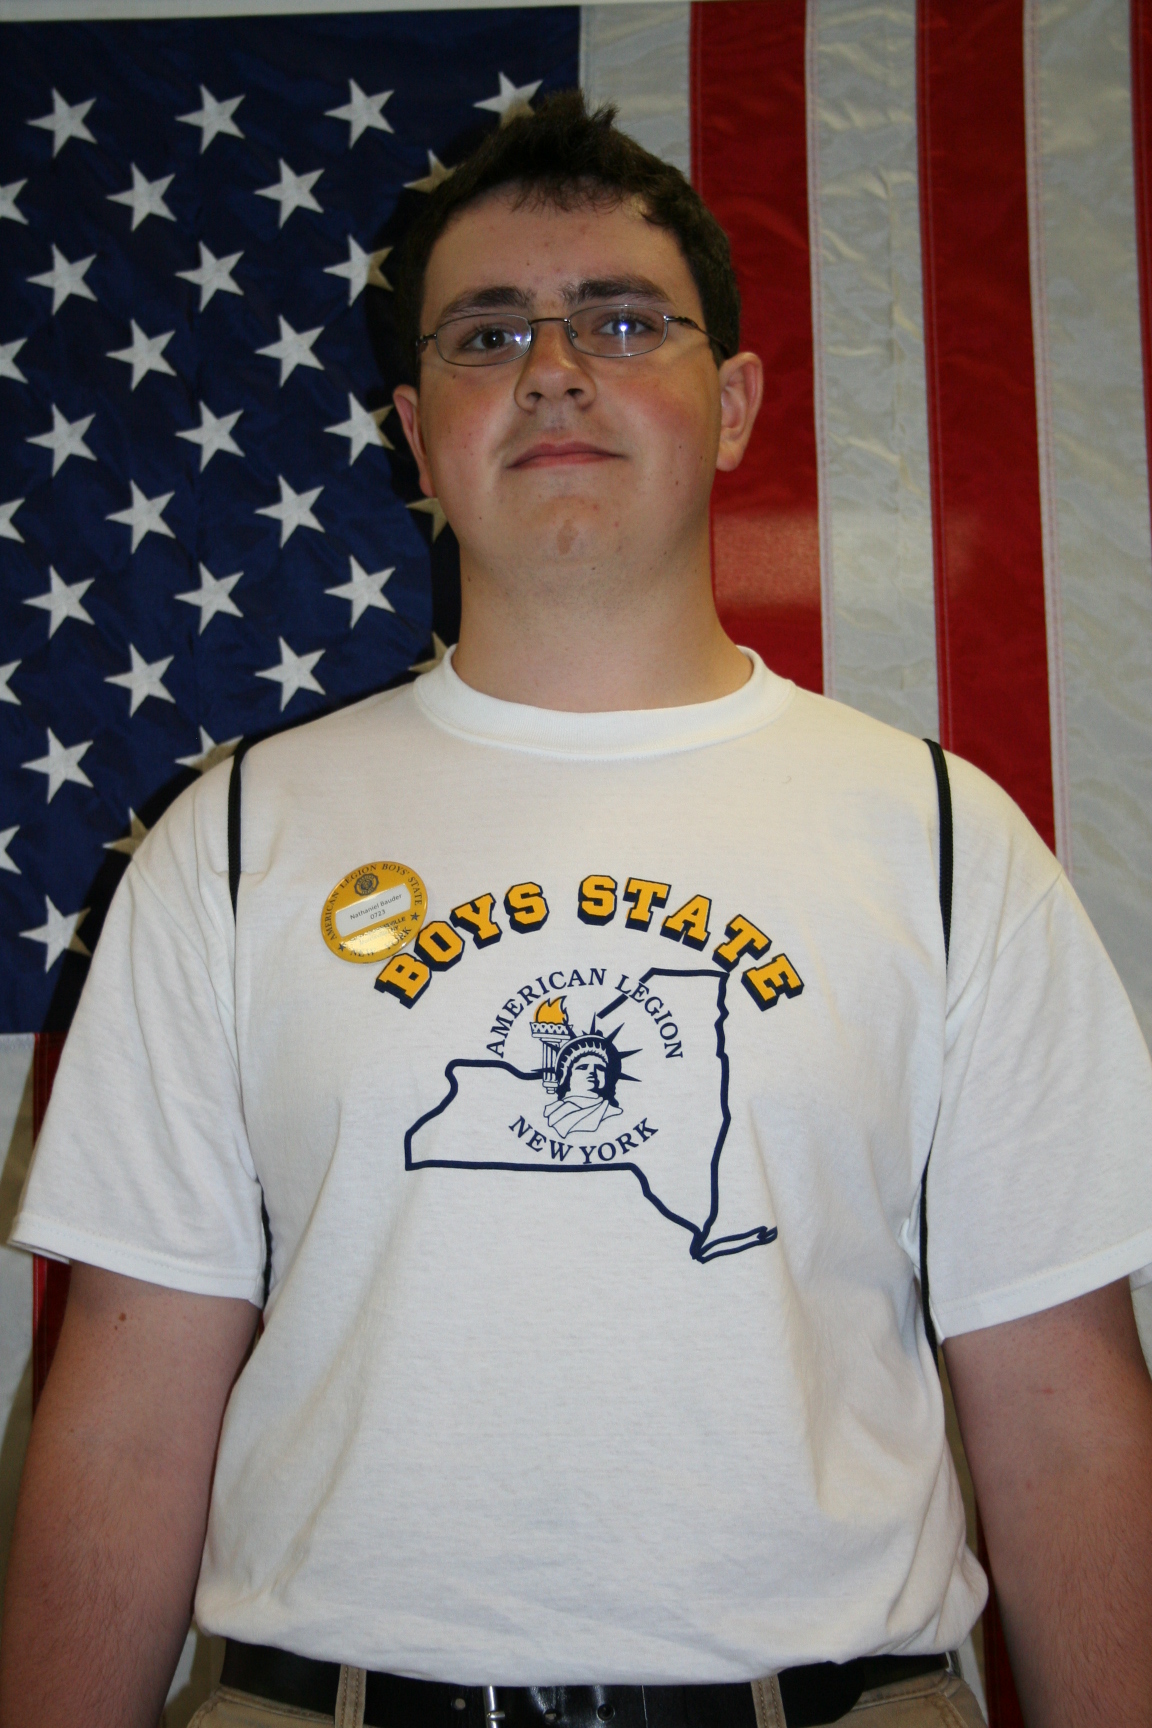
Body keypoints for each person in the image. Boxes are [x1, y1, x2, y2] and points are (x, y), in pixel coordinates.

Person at [3, 92, 1152, 1728]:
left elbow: (1064, 1415)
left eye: (620, 321)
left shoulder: (945, 839)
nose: (553, 369)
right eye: (489, 334)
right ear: (419, 434)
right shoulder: (238, 841)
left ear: (732, 404)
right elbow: (124, 1408)